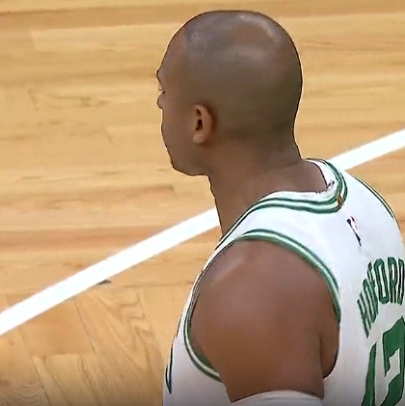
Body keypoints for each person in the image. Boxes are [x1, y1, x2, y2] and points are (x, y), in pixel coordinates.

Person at [157, 10, 405, 406]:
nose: (159, 102)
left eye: (165, 91)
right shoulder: (364, 200)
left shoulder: (254, 289)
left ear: (200, 122)